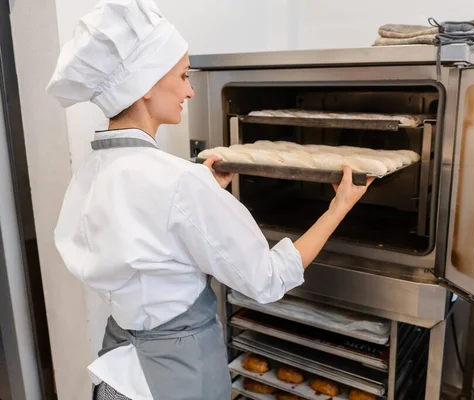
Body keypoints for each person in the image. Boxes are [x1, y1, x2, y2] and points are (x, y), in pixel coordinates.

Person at [46, 0, 373, 399]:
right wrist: (338, 207)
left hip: (118, 374)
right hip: (174, 379)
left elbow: (148, 236)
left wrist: (202, 190)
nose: (189, 90)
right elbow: (268, 280)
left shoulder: (91, 174)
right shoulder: (179, 183)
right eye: (183, 76)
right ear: (146, 84)